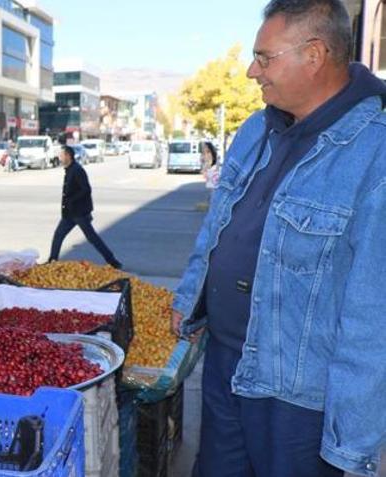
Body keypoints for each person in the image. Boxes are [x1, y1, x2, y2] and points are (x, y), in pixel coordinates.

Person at [172, 2, 386, 476]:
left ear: (313, 55)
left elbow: (373, 314)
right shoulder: (256, 129)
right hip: (226, 363)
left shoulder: (376, 152)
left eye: (265, 58)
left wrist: (352, 438)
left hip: (295, 397)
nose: (252, 71)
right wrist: (193, 296)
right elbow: (218, 225)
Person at [48, 145, 122, 269]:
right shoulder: (69, 169)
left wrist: (71, 200)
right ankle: (52, 260)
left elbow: (86, 189)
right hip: (69, 214)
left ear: (68, 156)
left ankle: (113, 261)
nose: (59, 158)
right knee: (58, 235)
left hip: (79, 213)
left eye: (61, 155)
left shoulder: (77, 170)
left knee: (92, 238)